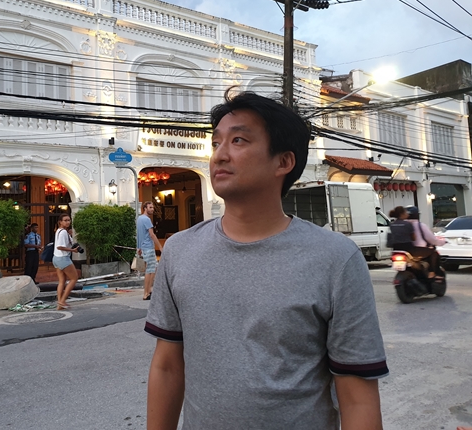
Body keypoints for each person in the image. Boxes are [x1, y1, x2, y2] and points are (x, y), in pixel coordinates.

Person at [145, 90, 388, 430]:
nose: (219, 155)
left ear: (284, 162)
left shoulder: (336, 258)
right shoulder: (180, 250)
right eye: (216, 143)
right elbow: (167, 367)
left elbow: (358, 397)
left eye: (238, 140)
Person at [405, 205, 445, 280]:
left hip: (404, 251)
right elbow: (432, 240)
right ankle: (432, 272)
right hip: (418, 251)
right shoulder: (421, 225)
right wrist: (442, 242)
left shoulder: (402, 225)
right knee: (434, 253)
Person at [52, 214, 80, 310]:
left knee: (62, 281)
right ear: (60, 222)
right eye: (65, 220)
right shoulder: (63, 232)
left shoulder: (59, 231)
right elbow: (60, 247)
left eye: (69, 220)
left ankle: (60, 304)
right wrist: (73, 250)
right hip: (63, 258)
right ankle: (62, 300)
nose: (68, 222)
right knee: (74, 278)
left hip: (56, 258)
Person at [137, 201, 163, 301]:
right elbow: (152, 234)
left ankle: (148, 291)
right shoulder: (147, 219)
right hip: (148, 247)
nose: (152, 209)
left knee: (151, 269)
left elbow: (139, 234)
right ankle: (146, 292)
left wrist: (139, 248)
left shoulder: (139, 219)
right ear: (145, 208)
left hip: (143, 248)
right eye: (150, 207)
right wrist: (160, 247)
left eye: (152, 207)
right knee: (151, 270)